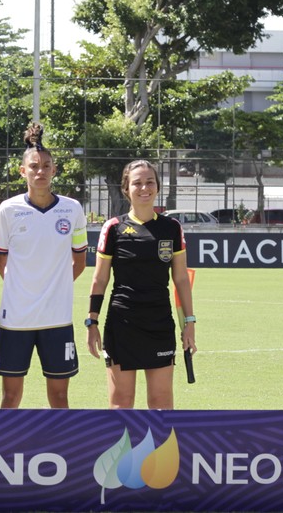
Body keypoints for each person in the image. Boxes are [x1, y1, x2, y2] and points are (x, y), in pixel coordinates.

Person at [85, 159, 196, 410]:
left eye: (150, 182)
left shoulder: (171, 228)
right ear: (126, 188)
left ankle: (161, 451)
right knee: (121, 405)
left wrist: (189, 323)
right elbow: (100, 279)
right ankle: (124, 452)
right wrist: (92, 322)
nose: (144, 188)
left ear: (157, 186)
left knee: (161, 404)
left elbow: (180, 279)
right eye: (137, 183)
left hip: (159, 324)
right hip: (122, 323)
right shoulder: (113, 228)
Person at [0, 123, 88, 408]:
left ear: (54, 170)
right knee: (10, 396)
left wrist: (53, 286)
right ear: (23, 171)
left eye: (46, 166)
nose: (40, 171)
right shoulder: (8, 210)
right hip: (16, 319)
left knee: (59, 397)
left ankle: (64, 450)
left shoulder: (72, 209)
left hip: (57, 319)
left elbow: (80, 260)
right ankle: (5, 449)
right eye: (34, 166)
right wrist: (24, 288)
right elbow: (1, 260)